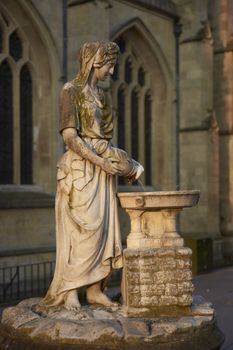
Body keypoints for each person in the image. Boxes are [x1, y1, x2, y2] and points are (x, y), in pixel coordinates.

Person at [43, 41, 143, 310]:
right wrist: (101, 161)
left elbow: (104, 140)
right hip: (79, 170)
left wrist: (127, 163)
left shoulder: (103, 96)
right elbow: (70, 136)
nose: (111, 72)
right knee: (81, 232)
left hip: (102, 172)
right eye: (109, 66)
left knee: (103, 233)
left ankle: (95, 290)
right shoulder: (71, 91)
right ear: (95, 62)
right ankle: (71, 290)